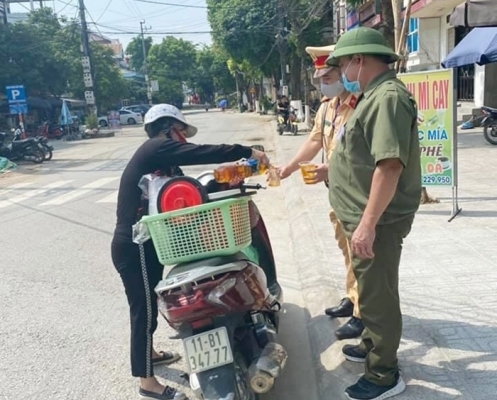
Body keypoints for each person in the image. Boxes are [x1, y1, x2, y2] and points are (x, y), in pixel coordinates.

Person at [111, 104, 269, 400]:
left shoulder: (167, 167)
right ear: (169, 129)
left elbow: (195, 191)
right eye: (182, 133)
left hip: (151, 242)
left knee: (148, 303)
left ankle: (151, 354)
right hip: (135, 246)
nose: (183, 141)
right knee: (142, 311)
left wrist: (230, 180)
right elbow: (203, 153)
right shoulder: (154, 149)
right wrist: (246, 150)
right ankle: (147, 383)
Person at [326, 28, 421, 400]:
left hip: (377, 222)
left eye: (344, 64)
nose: (342, 71)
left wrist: (366, 225)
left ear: (359, 60)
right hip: (362, 218)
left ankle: (384, 374)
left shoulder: (387, 98)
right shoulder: (369, 97)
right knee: (369, 291)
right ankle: (371, 344)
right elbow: (362, 155)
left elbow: (390, 166)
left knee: (378, 298)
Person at [278, 44, 364, 340]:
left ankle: (363, 314)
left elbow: (362, 155)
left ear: (344, 71)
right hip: (337, 192)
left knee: (361, 254)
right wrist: (288, 168)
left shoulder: (359, 103)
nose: (324, 83)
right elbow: (315, 141)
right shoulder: (328, 107)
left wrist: (329, 171)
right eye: (320, 79)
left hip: (358, 192)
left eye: (328, 76)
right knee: (346, 249)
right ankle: (353, 296)